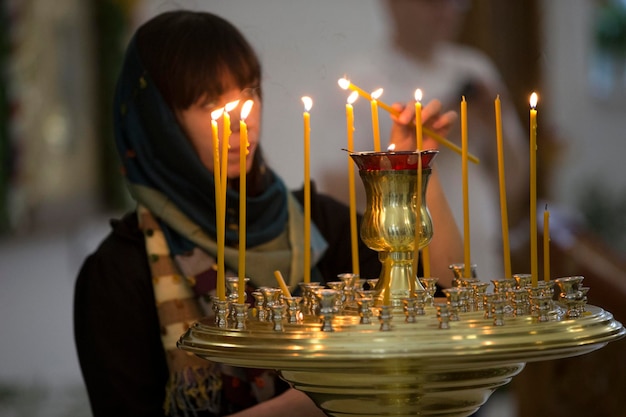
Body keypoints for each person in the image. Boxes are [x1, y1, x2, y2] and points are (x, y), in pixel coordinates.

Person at [73, 10, 462, 417]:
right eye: (209, 101)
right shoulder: (120, 272)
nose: (243, 119)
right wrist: (320, 398)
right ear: (159, 123)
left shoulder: (316, 224)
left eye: (249, 90)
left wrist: (410, 170)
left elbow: (439, 302)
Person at [356, 0, 529, 281]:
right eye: (433, 3)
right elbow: (343, 190)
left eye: (455, 3)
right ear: (393, 5)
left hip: (482, 257)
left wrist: (494, 120)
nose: (446, 12)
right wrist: (413, 153)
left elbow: (515, 182)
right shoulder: (365, 79)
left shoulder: (475, 68)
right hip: (407, 263)